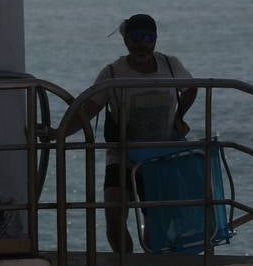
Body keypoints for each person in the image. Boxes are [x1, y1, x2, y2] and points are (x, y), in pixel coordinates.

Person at [58, 14, 196, 253]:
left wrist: (178, 117)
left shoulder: (171, 66)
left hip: (160, 158)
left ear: (155, 39)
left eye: (148, 37)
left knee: (157, 222)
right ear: (125, 40)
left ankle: (152, 262)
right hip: (122, 156)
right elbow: (88, 109)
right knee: (113, 215)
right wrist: (57, 133)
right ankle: (125, 263)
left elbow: (191, 89)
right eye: (136, 37)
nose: (142, 44)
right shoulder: (112, 73)